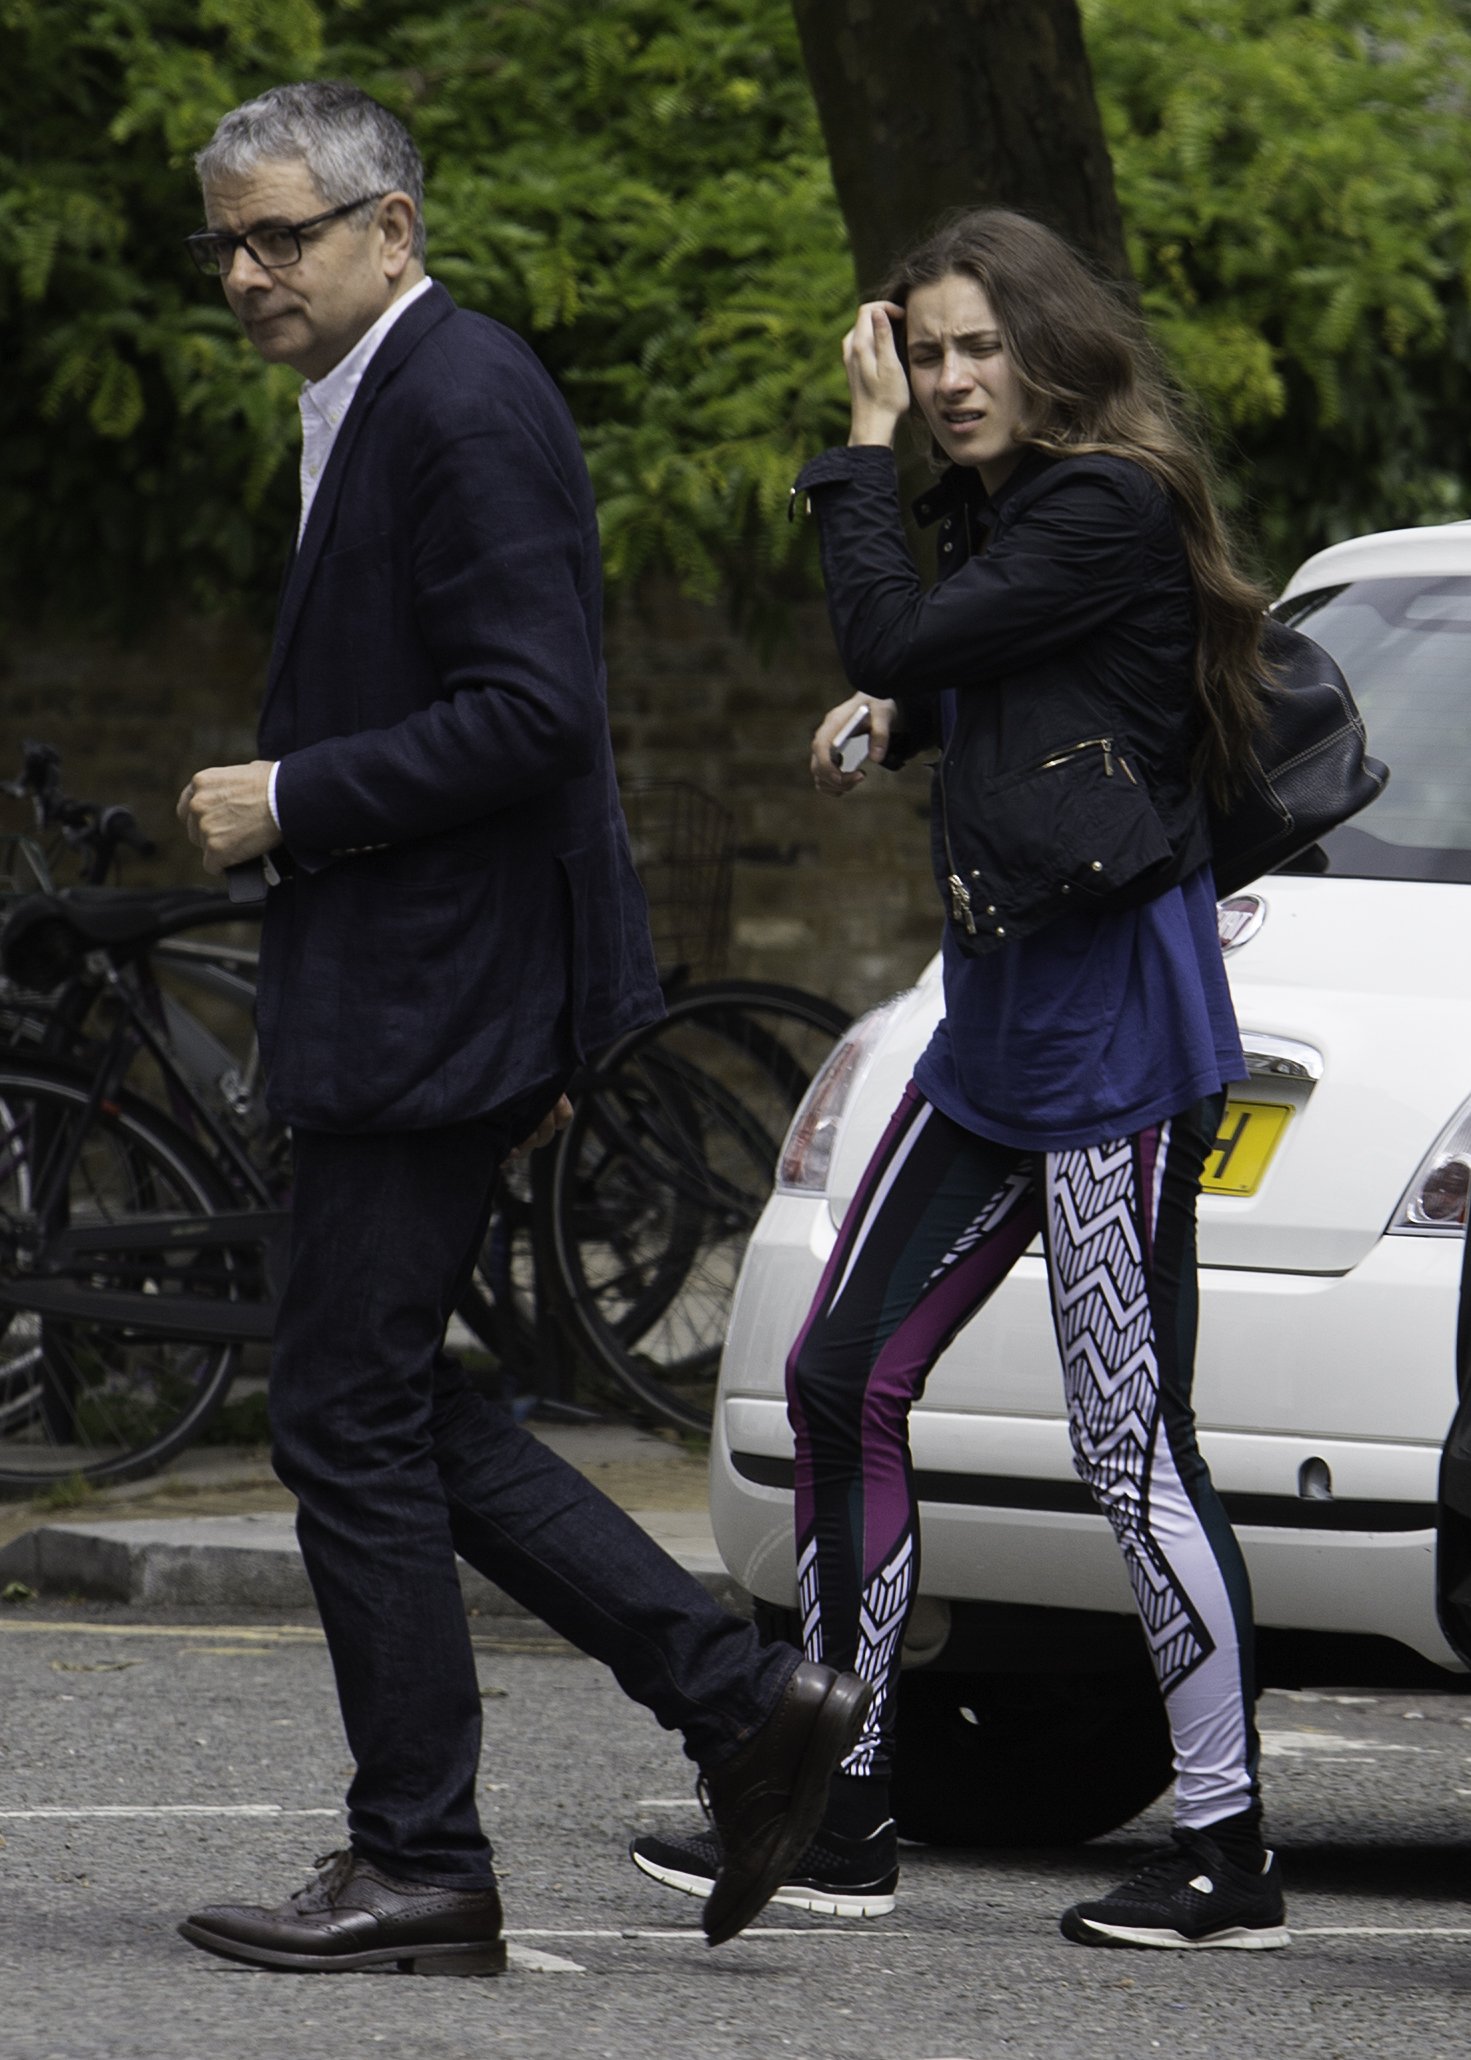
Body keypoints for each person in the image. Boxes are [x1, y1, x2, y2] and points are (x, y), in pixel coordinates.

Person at [171, 80, 869, 1976]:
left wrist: (290, 797)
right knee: (378, 1394)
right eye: (225, 241)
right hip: (444, 993)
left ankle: (425, 1858)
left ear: (391, 230)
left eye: (281, 234)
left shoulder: (460, 399)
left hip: (428, 999)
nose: (246, 272)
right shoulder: (386, 395)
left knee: (341, 1408)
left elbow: (536, 713)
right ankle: (734, 1702)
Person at [632, 207, 1290, 1952]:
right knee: (841, 1372)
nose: (941, 382)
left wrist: (855, 469)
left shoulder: (1111, 498)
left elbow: (911, 634)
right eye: (920, 356)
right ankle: (839, 1807)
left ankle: (1230, 1851)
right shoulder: (1030, 517)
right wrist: (903, 726)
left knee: (1130, 1443)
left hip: (1117, 1035)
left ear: (1050, 345)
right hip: (994, 1016)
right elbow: (1007, 677)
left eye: (973, 347)